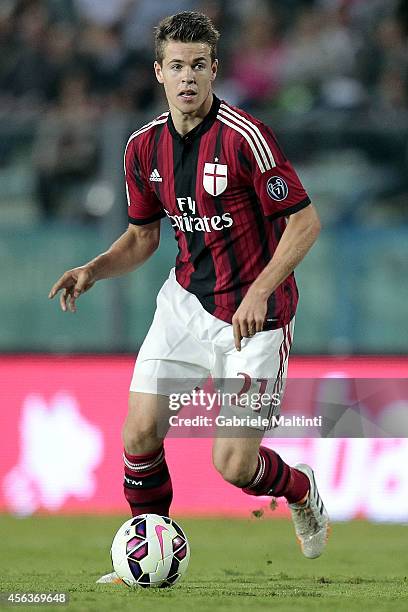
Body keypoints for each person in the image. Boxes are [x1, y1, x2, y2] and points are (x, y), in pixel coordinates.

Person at [48, 11, 329, 584]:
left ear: (214, 70)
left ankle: (300, 489)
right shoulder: (142, 148)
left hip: (258, 320)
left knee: (233, 465)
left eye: (198, 65)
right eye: (176, 66)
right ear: (159, 72)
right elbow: (142, 237)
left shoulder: (245, 137)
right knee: (139, 432)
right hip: (185, 303)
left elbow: (305, 223)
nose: (188, 77)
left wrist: (260, 290)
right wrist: (94, 270)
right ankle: (146, 553)